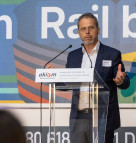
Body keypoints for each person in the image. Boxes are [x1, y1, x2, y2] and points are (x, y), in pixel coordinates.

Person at [47, 12, 130, 143]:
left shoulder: (112, 54)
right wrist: (52, 78)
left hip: (103, 117)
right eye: (83, 29)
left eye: (91, 28)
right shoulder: (73, 56)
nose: (87, 32)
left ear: (98, 30)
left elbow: (124, 81)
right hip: (78, 118)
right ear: (78, 32)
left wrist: (121, 81)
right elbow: (68, 82)